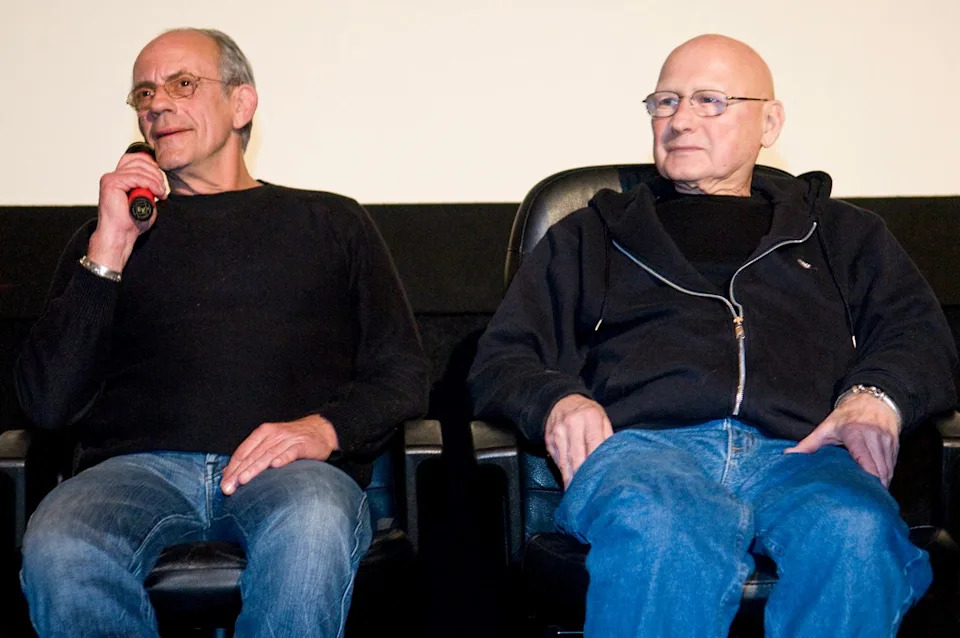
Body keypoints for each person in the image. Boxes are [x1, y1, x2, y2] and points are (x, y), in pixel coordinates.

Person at [468, 34, 957, 637]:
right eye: (665, 102)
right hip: (647, 452)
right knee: (667, 528)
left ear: (769, 122)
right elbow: (503, 357)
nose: (680, 120)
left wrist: (876, 395)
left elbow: (920, 337)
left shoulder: (841, 234)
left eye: (709, 101)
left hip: (803, 452)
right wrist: (555, 399)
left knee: (857, 532)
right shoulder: (590, 235)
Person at [15, 28, 429, 637]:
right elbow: (46, 403)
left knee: (313, 525)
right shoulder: (106, 240)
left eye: (182, 84)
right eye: (144, 93)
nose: (157, 104)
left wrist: (323, 428)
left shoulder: (331, 222)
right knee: (59, 542)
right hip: (135, 472)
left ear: (242, 104)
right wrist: (109, 250)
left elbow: (402, 373)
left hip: (290, 474)